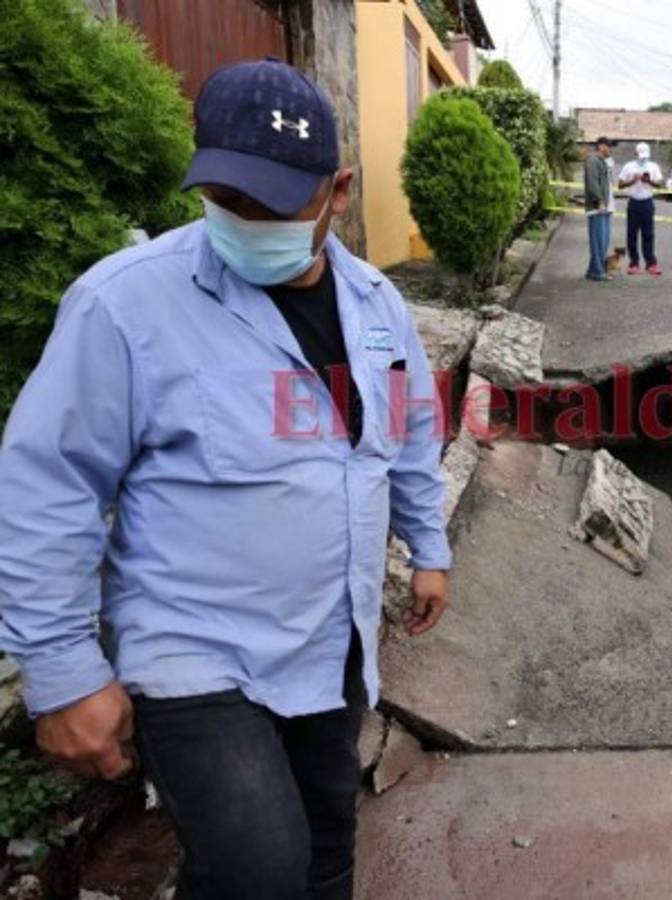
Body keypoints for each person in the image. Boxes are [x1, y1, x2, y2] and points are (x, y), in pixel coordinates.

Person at [0, 59, 452, 900]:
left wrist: (428, 547)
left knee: (325, 843)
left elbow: (409, 434)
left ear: (337, 191)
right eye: (229, 200)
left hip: (330, 637)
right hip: (195, 648)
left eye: (276, 204)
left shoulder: (378, 307)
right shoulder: (125, 306)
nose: (248, 222)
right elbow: (48, 483)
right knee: (257, 867)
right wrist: (62, 671)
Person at [617, 142, 664, 275]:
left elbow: (660, 184)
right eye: (640, 155)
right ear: (635, 154)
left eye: (645, 156)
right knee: (632, 234)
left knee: (648, 234)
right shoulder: (628, 166)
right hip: (633, 202)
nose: (643, 158)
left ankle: (651, 263)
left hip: (647, 202)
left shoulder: (653, 166)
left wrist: (648, 181)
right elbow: (620, 184)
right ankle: (634, 263)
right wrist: (632, 180)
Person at [584, 136, 616, 281]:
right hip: (598, 207)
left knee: (603, 241)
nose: (611, 149)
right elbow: (592, 183)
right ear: (601, 146)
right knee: (598, 241)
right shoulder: (592, 161)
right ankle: (597, 272)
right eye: (609, 146)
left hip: (606, 207)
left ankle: (593, 270)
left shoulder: (604, 162)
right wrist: (599, 201)